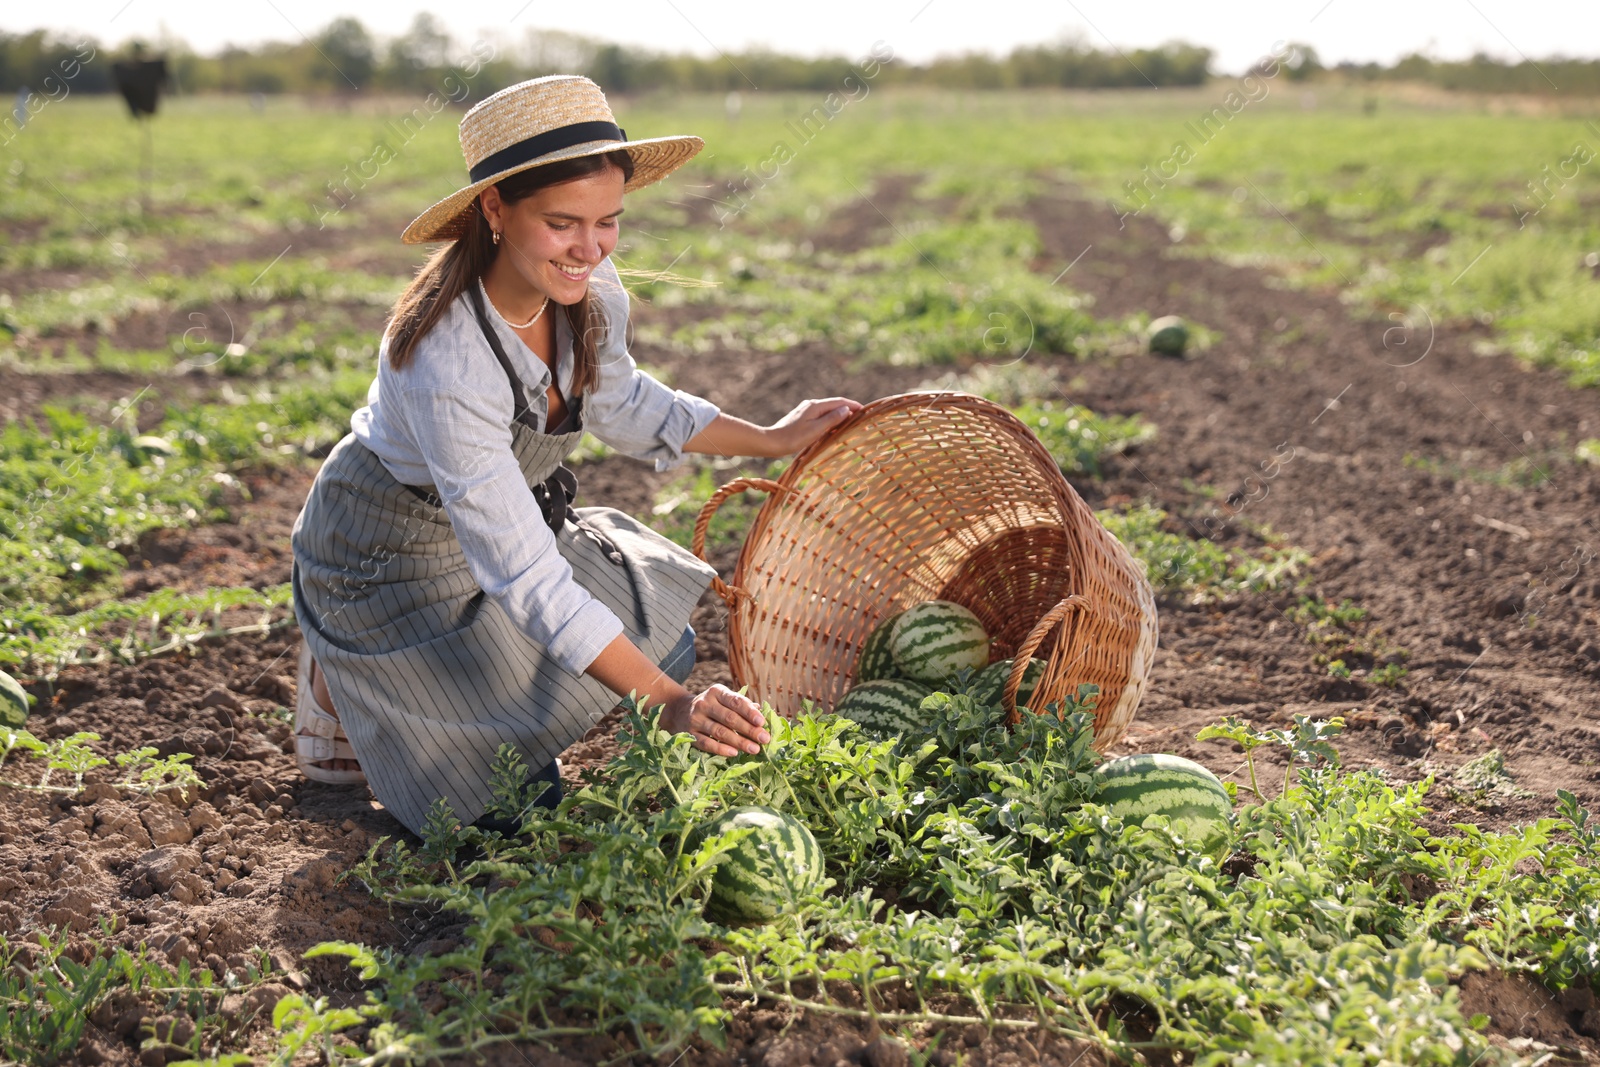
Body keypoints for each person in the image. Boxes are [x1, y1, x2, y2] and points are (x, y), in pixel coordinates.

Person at [289, 75, 861, 835]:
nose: (589, 248)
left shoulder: (586, 290)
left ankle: (426, 685)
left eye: (608, 222)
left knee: (665, 633)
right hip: (383, 551)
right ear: (494, 208)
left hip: (492, 540)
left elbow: (622, 401)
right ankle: (341, 670)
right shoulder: (445, 358)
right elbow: (526, 575)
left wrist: (769, 437)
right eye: (562, 223)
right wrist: (668, 705)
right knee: (504, 813)